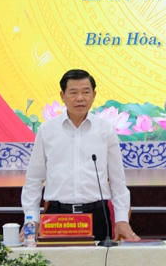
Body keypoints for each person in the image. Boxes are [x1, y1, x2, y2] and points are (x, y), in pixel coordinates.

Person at [22, 69, 139, 242]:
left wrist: (121, 219)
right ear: (62, 96)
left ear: (94, 95)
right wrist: (31, 219)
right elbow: (34, 180)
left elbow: (117, 181)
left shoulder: (105, 130)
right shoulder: (47, 130)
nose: (80, 98)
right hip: (57, 218)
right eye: (73, 92)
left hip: (97, 216)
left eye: (85, 92)